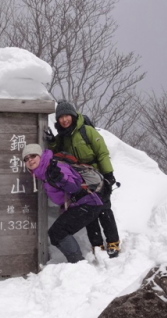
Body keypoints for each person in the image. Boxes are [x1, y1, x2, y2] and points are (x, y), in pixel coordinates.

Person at [45, 100, 121, 258]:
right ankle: (97, 244)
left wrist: (108, 174)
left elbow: (102, 153)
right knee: (89, 211)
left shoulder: (86, 131)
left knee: (104, 208)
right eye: (61, 117)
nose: (64, 120)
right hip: (80, 179)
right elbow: (57, 153)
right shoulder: (62, 137)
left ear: (73, 115)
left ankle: (113, 242)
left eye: (67, 116)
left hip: (98, 176)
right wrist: (52, 142)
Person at [22, 144, 103, 263]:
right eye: (26, 159)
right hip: (82, 204)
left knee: (58, 232)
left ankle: (78, 264)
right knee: (56, 234)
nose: (30, 160)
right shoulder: (44, 172)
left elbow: (74, 187)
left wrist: (60, 178)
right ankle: (77, 263)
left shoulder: (56, 166)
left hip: (88, 203)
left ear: (40, 156)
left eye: (33, 156)